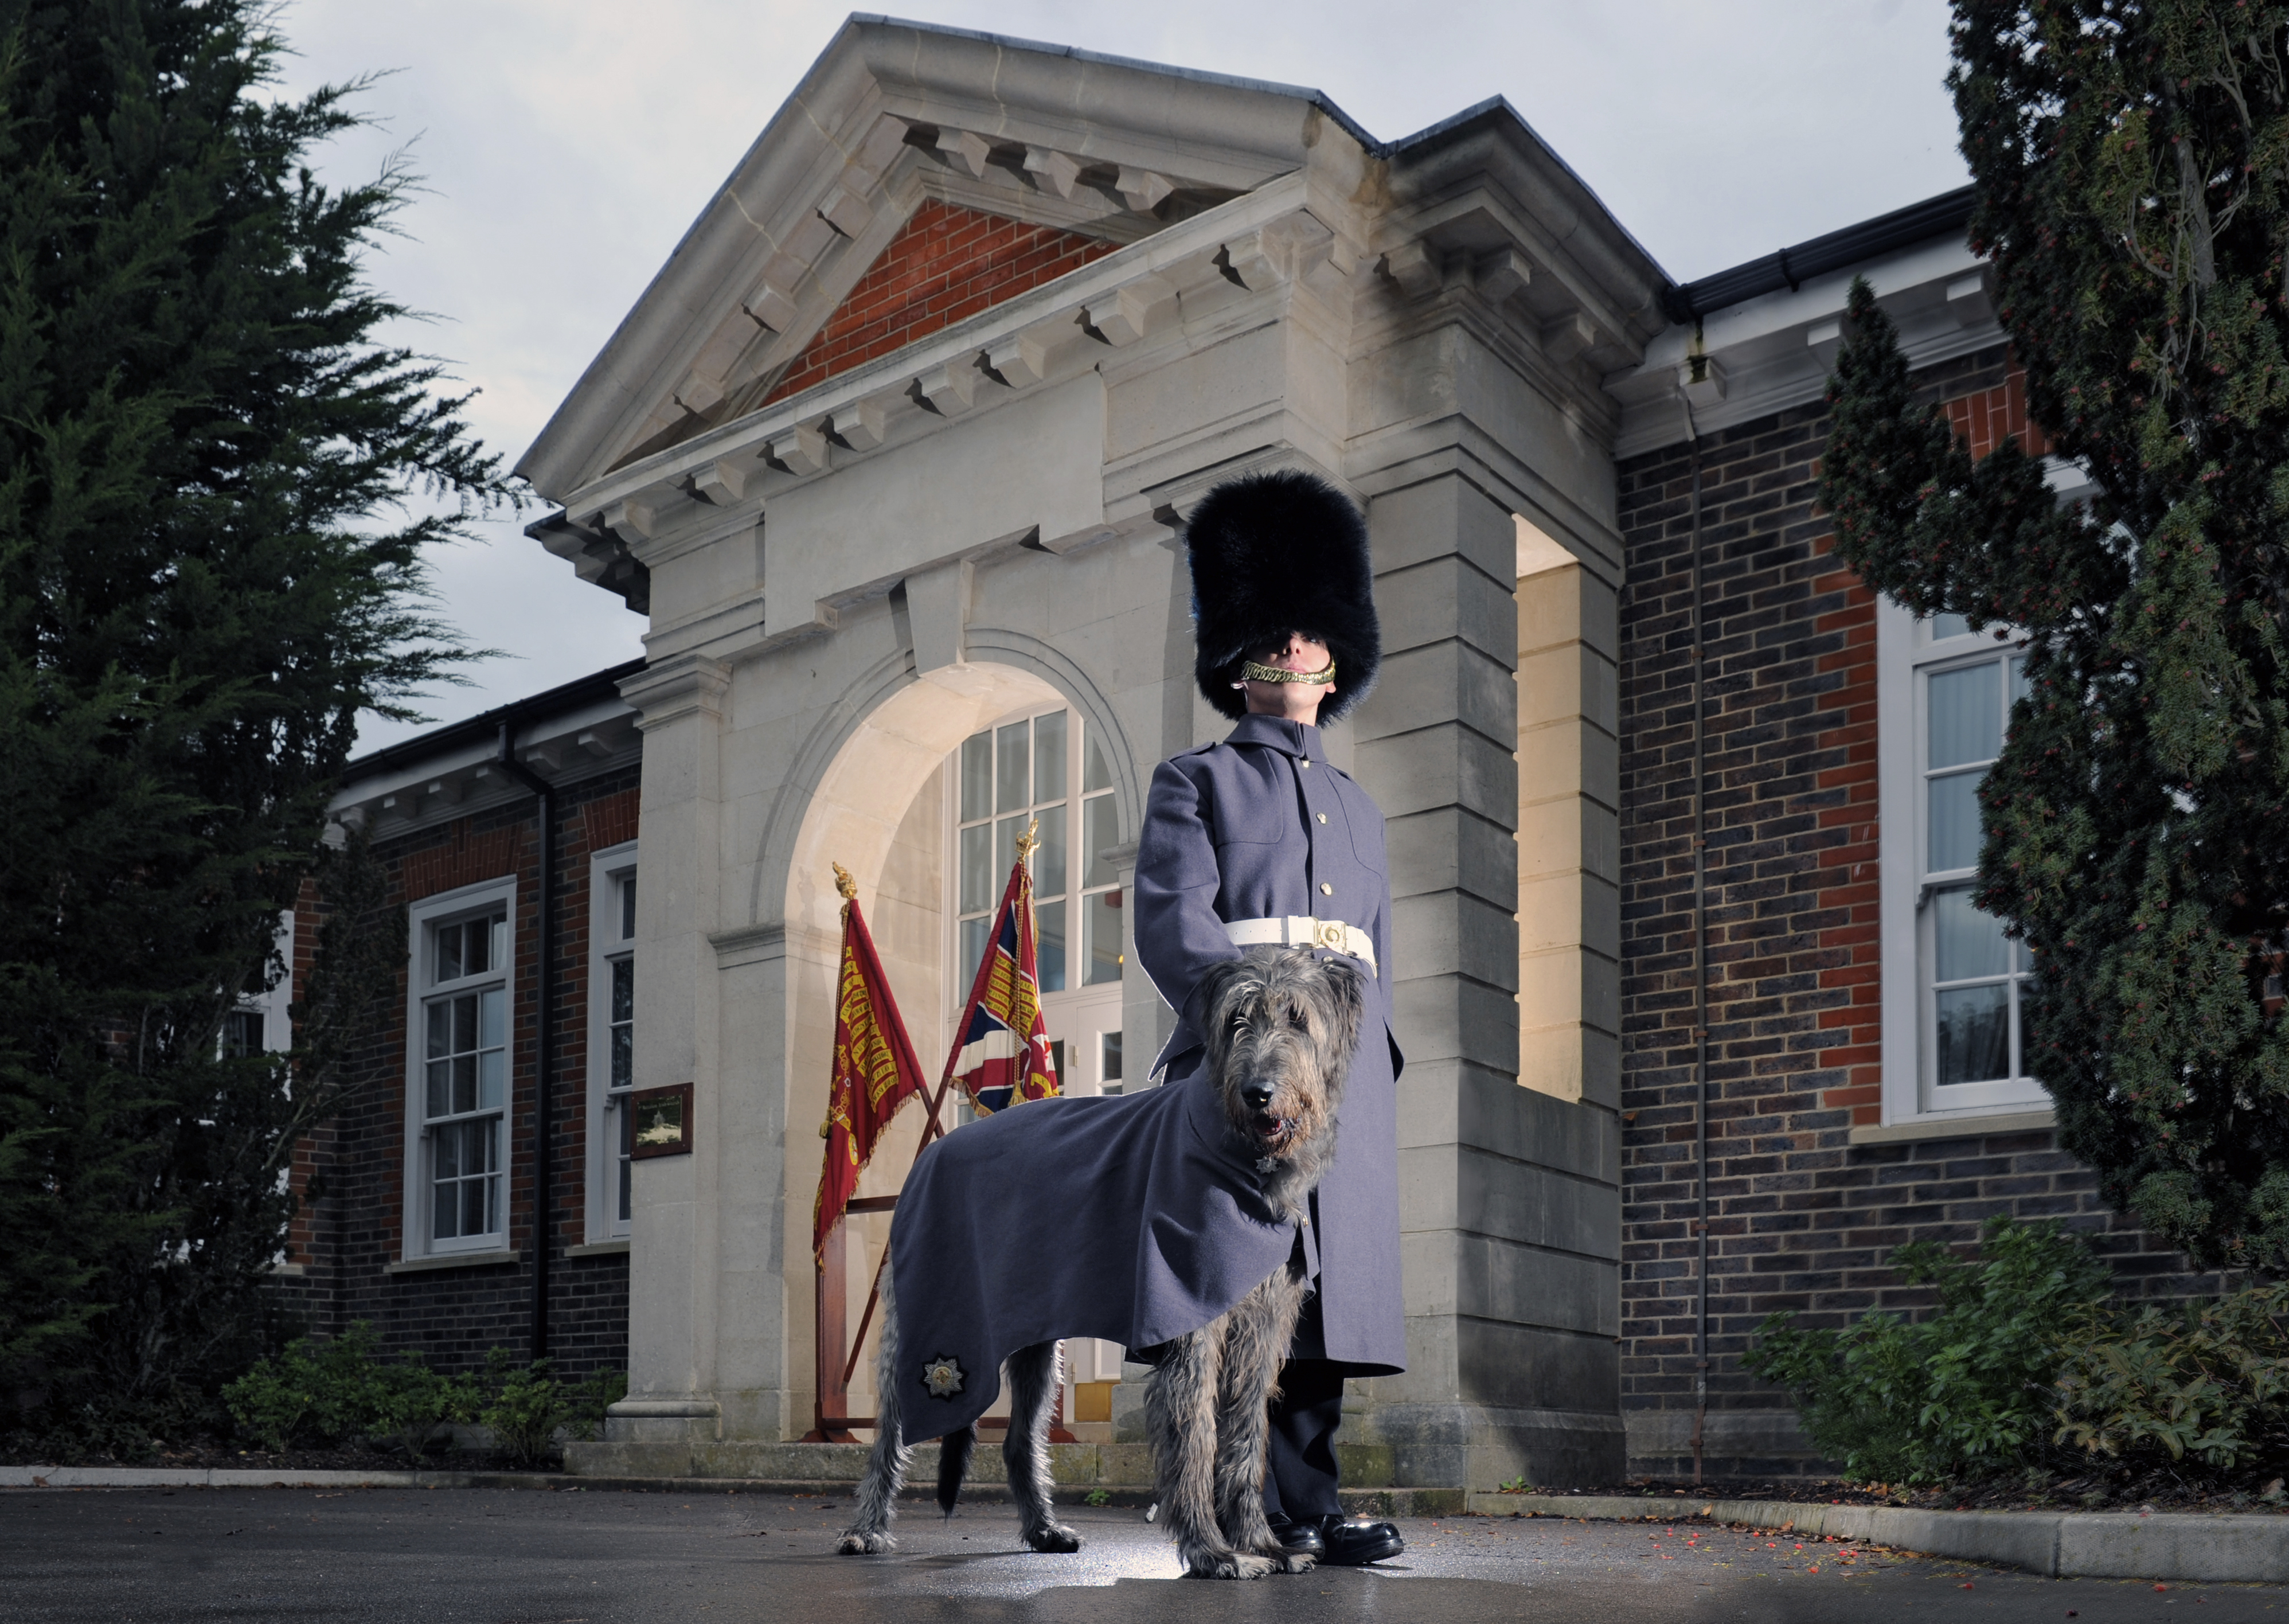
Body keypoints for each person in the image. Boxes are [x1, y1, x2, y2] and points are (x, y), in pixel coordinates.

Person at [1131, 467, 1407, 1566]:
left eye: (1310, 636)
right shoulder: (1192, 782)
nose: (1291, 653)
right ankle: (1215, 1500)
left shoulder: (1361, 810)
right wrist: (1253, 1025)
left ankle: (1309, 1502)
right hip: (1240, 1069)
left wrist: (1371, 1057)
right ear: (1236, 658)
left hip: (1348, 1079)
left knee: (1326, 1304)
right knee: (1242, 1289)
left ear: (1336, 654)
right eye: (1271, 637)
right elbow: (1172, 924)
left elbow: (1380, 954)